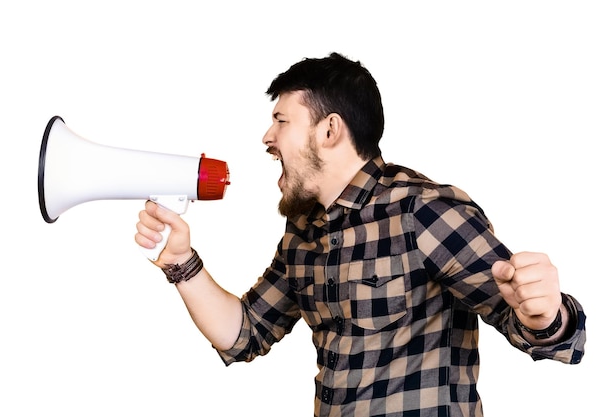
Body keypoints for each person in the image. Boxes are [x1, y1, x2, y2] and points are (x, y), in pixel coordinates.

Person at [134, 52, 586, 417]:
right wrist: (180, 260)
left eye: (282, 120)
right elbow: (245, 332)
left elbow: (538, 328)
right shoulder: (303, 232)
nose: (267, 137)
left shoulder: (422, 210)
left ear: (329, 130)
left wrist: (546, 314)